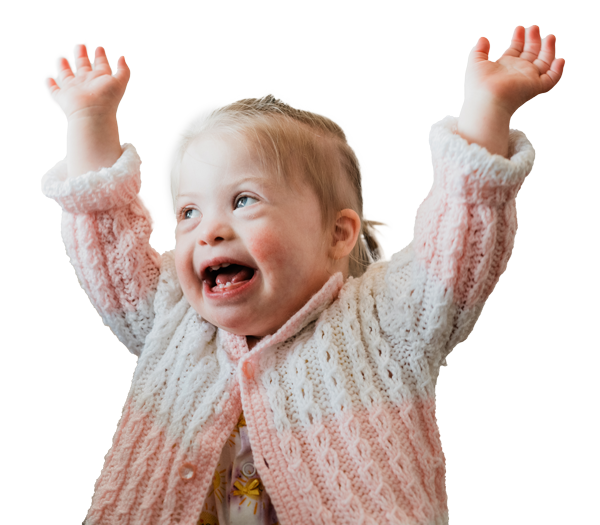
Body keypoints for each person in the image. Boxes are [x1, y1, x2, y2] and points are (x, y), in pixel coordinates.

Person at [41, 26, 564, 525]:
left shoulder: (386, 323)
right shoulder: (173, 319)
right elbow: (107, 241)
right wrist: (88, 118)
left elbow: (459, 242)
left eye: (243, 200)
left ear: (338, 234)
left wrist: (487, 109)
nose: (209, 232)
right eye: (188, 213)